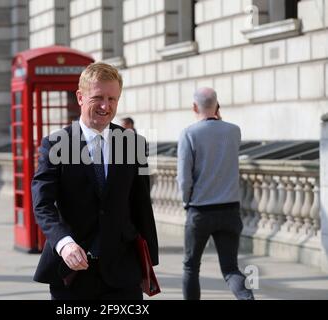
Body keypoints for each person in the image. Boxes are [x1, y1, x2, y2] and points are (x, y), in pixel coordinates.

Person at [31, 62, 159, 300]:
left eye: (112, 99)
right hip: (72, 273)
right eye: (98, 97)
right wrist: (64, 243)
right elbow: (42, 203)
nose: (105, 106)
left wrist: (148, 262)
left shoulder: (134, 144)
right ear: (80, 97)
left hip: (123, 273)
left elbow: (141, 203)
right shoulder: (57, 144)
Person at [177, 87, 254, 300]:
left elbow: (184, 179)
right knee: (230, 268)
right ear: (217, 105)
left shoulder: (188, 133)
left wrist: (186, 202)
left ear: (194, 107)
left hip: (200, 211)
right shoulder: (234, 130)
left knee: (191, 267)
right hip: (230, 210)